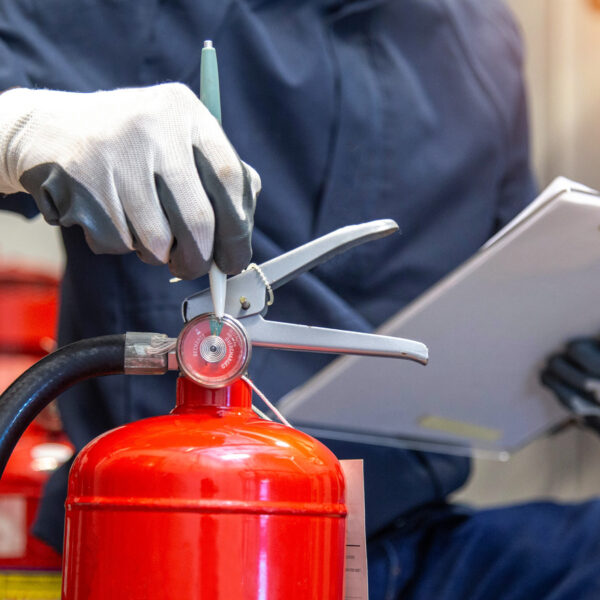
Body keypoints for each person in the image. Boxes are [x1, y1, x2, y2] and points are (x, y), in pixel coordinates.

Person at [2, 0, 600, 597]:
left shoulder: (484, 32)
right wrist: (24, 127)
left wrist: (572, 359)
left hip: (417, 544)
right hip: (180, 538)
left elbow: (519, 287)